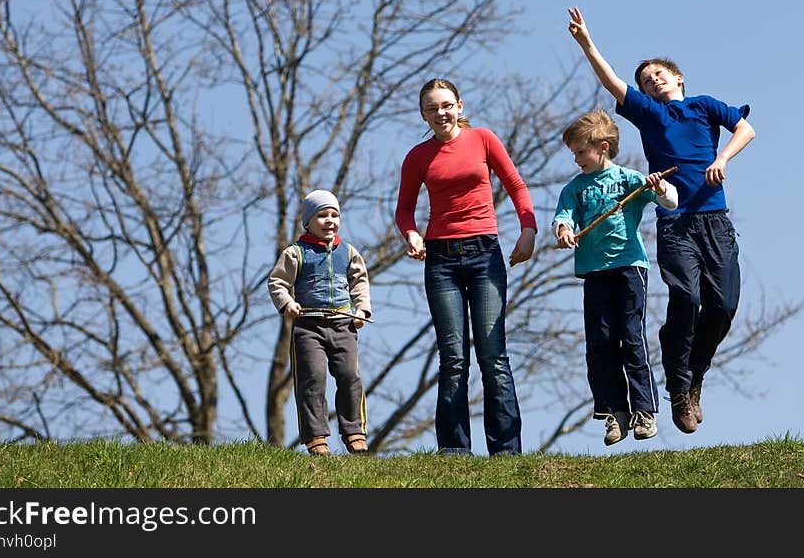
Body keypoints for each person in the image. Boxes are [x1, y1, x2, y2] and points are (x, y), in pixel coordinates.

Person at [566, 6, 755, 434]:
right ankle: (677, 380)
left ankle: (692, 376)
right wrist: (587, 44)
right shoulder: (651, 115)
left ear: (678, 78)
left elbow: (746, 129)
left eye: (658, 74)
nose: (652, 80)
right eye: (646, 80)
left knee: (723, 305)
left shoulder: (705, 107)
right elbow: (611, 81)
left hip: (716, 220)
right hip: (675, 223)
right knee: (686, 298)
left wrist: (722, 156)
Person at [394, 78, 537, 456]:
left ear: (459, 105)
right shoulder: (417, 157)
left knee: (493, 355)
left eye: (446, 105)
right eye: (431, 108)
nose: (440, 113)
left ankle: (506, 450)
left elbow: (516, 185)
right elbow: (404, 209)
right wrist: (411, 235)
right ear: (423, 114)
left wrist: (528, 229)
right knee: (453, 359)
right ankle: (454, 451)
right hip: (440, 260)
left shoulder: (483, 140)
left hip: (484, 254)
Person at [552, 108, 678, 445]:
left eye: (581, 151)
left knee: (631, 338)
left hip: (629, 268)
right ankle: (614, 413)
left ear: (603, 147)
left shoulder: (629, 179)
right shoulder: (575, 188)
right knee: (600, 343)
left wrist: (660, 185)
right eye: (574, 153)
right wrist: (563, 230)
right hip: (595, 272)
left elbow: (670, 201)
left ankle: (644, 411)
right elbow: (563, 216)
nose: (576, 158)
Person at [267, 189, 371, 456]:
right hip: (308, 327)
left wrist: (362, 310)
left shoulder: (348, 252)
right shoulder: (295, 253)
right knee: (312, 378)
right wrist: (287, 303)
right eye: (322, 215)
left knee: (350, 376)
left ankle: (355, 431)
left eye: (334, 215)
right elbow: (277, 282)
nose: (329, 221)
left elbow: (359, 282)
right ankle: (315, 437)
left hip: (343, 325)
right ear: (308, 222)